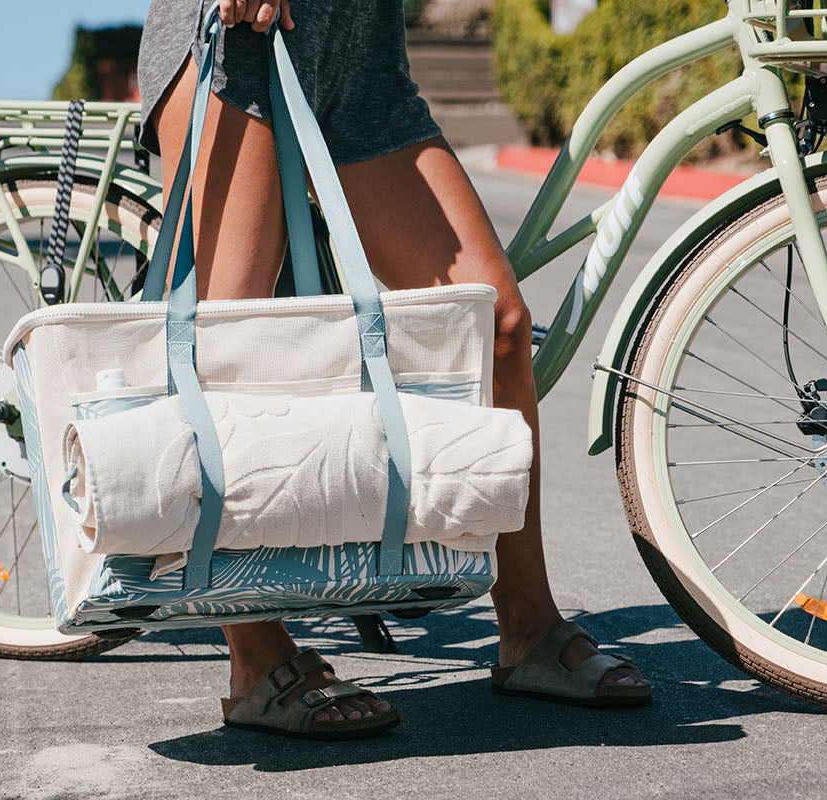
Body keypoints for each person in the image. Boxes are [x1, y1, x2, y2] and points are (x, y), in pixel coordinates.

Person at [138, 0, 650, 738]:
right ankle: (255, 656)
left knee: (494, 326)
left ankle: (529, 627)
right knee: (232, 352)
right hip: (238, 43)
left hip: (359, 56)